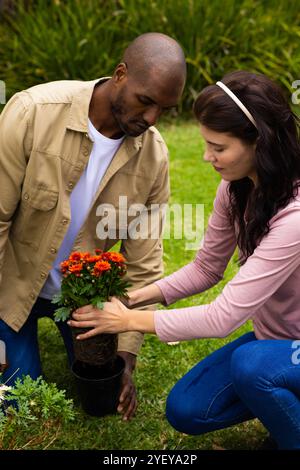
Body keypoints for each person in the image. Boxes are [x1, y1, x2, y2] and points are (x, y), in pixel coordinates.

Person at [69, 71, 300, 449]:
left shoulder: (294, 216)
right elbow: (207, 268)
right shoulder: (236, 188)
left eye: (219, 148)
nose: (208, 157)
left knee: (251, 366)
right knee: (187, 408)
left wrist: (127, 321)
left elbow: (223, 317)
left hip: (281, 350)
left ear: (260, 142)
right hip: (275, 340)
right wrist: (133, 298)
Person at [0, 32, 187, 421]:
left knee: (101, 396)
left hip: (82, 301)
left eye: (164, 109)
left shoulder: (153, 157)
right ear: (120, 74)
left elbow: (144, 263)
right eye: (145, 101)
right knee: (22, 407)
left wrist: (127, 355)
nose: (151, 119)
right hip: (11, 286)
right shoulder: (32, 112)